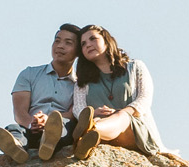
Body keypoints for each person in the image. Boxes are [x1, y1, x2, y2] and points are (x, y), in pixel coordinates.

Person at [0, 24, 84, 164]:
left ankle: (48, 143)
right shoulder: (29, 74)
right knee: (14, 129)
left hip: (60, 128)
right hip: (30, 127)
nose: (60, 46)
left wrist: (49, 121)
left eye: (68, 43)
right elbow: (19, 112)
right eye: (57, 40)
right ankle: (17, 148)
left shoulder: (80, 83)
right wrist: (32, 123)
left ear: (78, 51)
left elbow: (74, 113)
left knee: (65, 126)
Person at [66, 25, 161, 154]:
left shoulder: (135, 67)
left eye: (93, 39)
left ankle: (89, 130)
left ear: (106, 40)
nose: (88, 45)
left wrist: (121, 112)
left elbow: (144, 99)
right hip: (102, 130)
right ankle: (87, 139)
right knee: (96, 121)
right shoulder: (82, 82)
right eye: (83, 44)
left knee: (121, 117)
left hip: (133, 130)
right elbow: (79, 109)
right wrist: (93, 113)